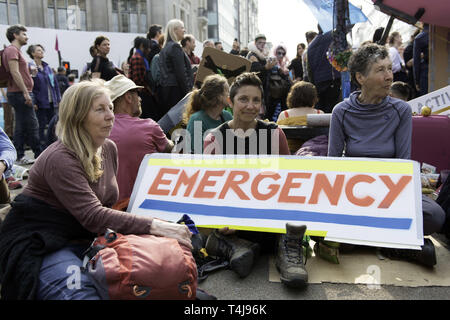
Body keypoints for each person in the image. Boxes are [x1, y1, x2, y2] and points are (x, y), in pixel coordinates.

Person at [0, 79, 192, 300]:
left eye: (110, 107)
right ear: (78, 117)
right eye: (100, 109)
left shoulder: (109, 148)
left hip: (87, 237)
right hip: (42, 241)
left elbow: (104, 210)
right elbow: (93, 215)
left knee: (155, 280)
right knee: (84, 295)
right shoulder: (59, 157)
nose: (110, 115)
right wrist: (156, 225)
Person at [327, 43, 444, 267]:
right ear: (361, 77)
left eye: (390, 68)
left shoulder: (400, 110)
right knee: (317, 226)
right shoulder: (341, 111)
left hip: (390, 192)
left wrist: (388, 198)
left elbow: (402, 164)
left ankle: (361, 240)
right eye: (380, 70)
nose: (389, 76)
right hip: (353, 193)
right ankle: (395, 244)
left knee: (434, 216)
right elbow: (333, 165)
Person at [203, 72, 308, 288]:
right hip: (233, 219)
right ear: (230, 102)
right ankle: (232, 244)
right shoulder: (214, 138)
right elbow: (211, 189)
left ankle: (281, 249)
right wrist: (224, 219)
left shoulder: (274, 133)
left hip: (269, 215)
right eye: (243, 99)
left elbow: (289, 181)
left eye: (256, 100)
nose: (250, 106)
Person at [106, 75, 173, 203]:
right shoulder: (149, 127)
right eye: (137, 94)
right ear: (128, 97)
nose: (140, 99)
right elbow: (170, 149)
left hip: (111, 209)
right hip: (145, 205)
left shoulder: (101, 131)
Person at [3, 24, 41, 165]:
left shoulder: (14, 51)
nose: (27, 37)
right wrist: (26, 92)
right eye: (24, 34)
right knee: (32, 124)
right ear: (15, 35)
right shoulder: (12, 50)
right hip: (20, 93)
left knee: (20, 125)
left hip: (19, 92)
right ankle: (38, 154)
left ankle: (19, 154)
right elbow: (14, 72)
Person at [183, 74, 233, 154]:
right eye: (228, 91)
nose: (230, 95)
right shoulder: (197, 119)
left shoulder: (227, 116)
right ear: (219, 96)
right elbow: (198, 151)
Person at [26, 44, 61, 149]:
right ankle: (42, 148)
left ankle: (54, 145)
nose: (41, 52)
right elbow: (31, 86)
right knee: (40, 126)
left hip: (52, 102)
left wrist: (58, 98)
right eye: (38, 50)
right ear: (33, 53)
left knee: (54, 124)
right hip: (40, 103)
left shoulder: (48, 68)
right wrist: (34, 102)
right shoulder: (31, 68)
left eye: (42, 50)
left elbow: (55, 85)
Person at [276, 81, 323, 153]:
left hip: (290, 154)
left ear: (292, 96)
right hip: (314, 153)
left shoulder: (284, 115)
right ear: (313, 97)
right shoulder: (320, 114)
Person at [159, 19, 194, 117]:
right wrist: (188, 93)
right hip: (177, 92)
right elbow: (181, 73)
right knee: (180, 122)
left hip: (168, 91)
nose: (184, 30)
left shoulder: (165, 47)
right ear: (174, 30)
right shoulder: (175, 47)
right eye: (182, 28)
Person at [128, 36, 160, 121]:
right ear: (142, 46)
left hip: (143, 93)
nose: (149, 50)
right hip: (142, 94)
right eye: (148, 47)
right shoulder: (137, 58)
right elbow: (137, 80)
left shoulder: (140, 58)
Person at [413, 24, 429, 97]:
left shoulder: (419, 38)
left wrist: (417, 81)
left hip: (426, 74)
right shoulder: (444, 32)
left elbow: (416, 62)